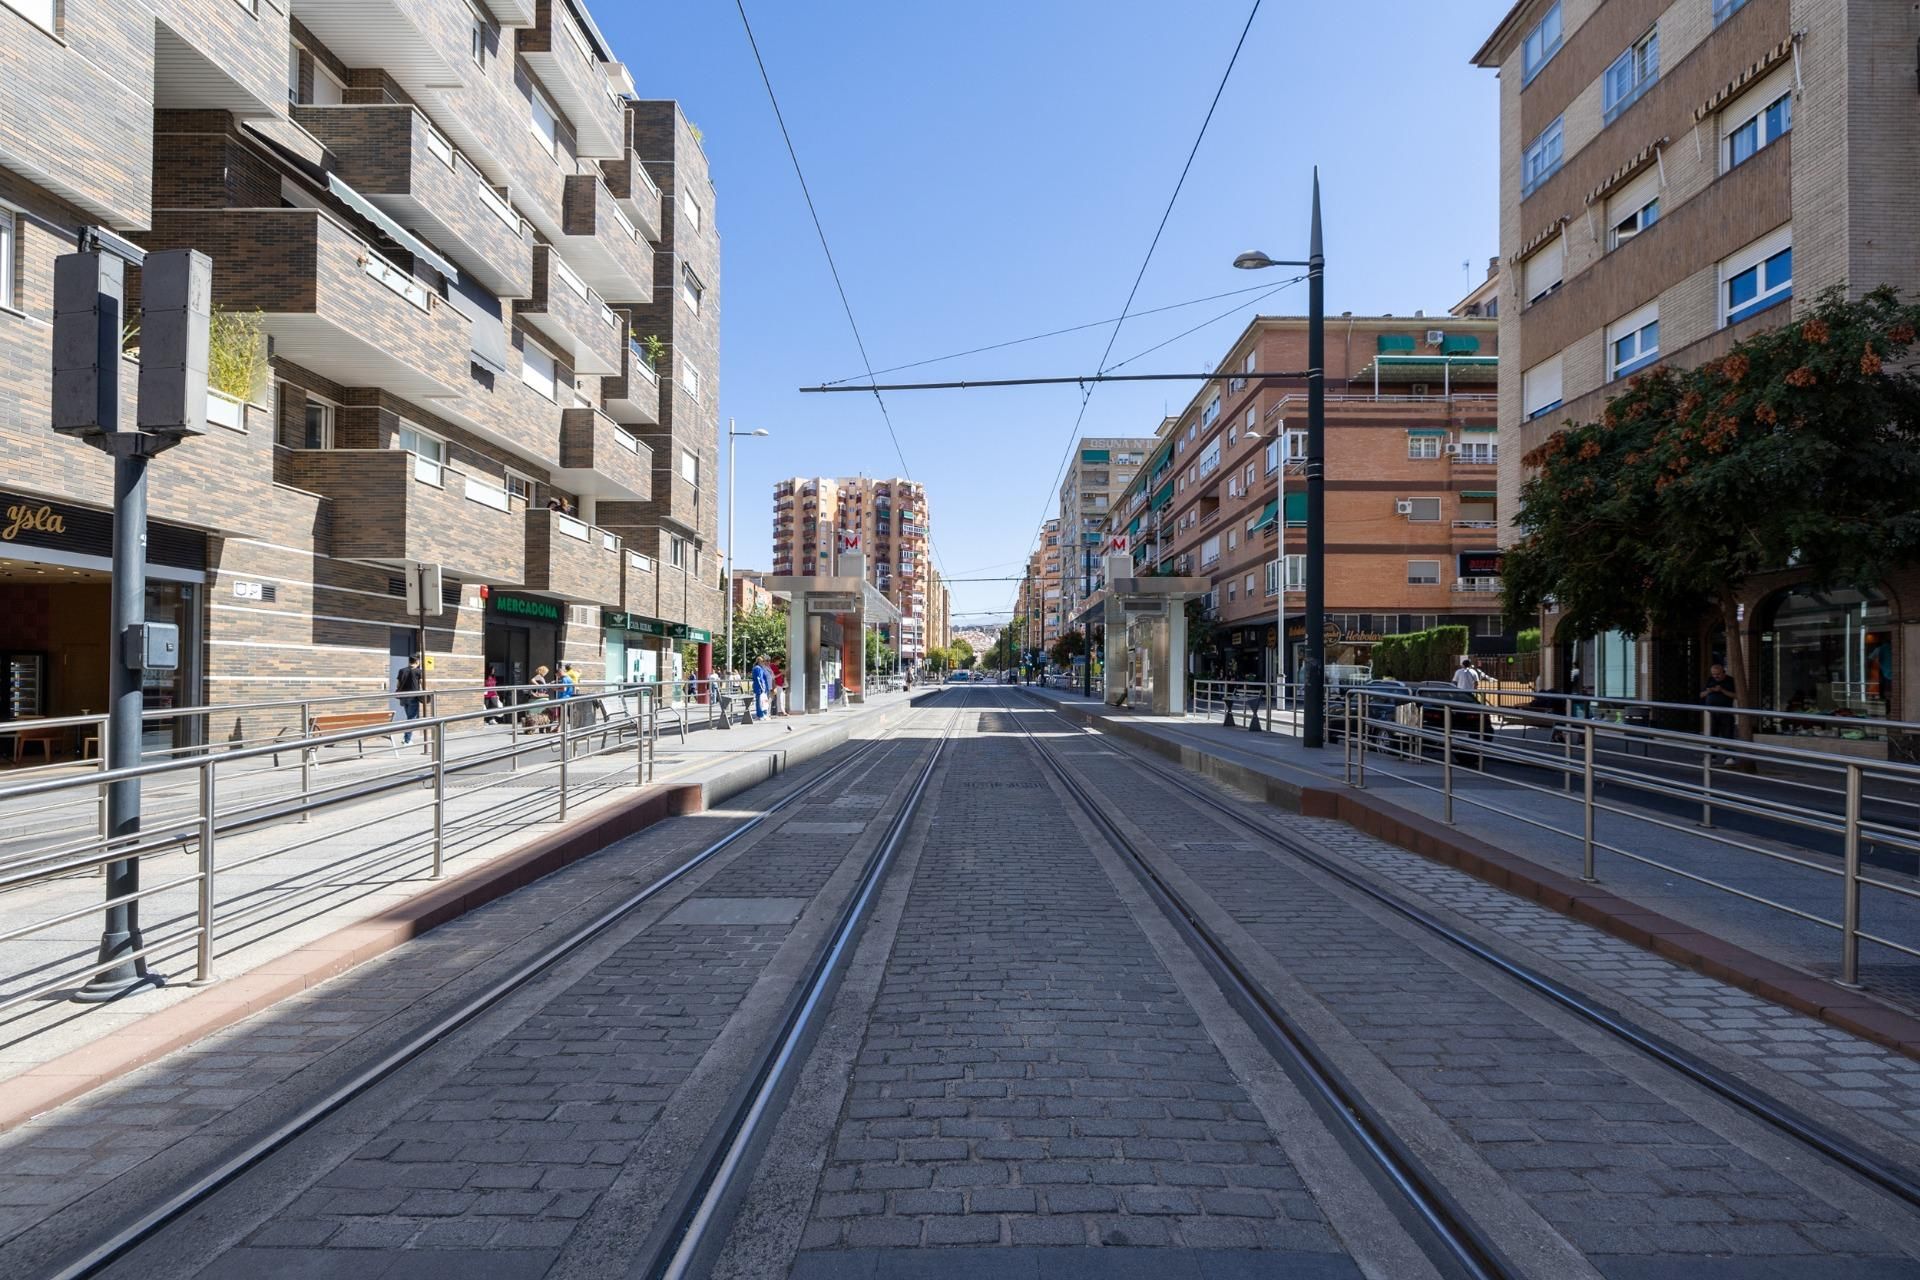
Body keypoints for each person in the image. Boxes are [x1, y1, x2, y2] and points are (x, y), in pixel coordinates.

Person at [1700, 660, 1739, 765]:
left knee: (1727, 734)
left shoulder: (1730, 681)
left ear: (1723, 672)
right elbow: (1701, 695)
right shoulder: (1710, 680)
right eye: (1713, 674)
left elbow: (1736, 696)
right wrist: (1710, 690)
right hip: (1711, 712)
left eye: (1718, 674)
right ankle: (1711, 756)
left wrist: (1722, 690)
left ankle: (1729, 757)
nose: (1715, 677)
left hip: (1726, 712)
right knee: (1711, 734)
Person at [394, 653, 425, 745]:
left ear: (409, 661)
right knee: (411, 719)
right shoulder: (419, 672)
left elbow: (398, 685)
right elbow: (422, 684)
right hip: (413, 697)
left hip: (403, 697)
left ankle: (406, 738)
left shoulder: (402, 670)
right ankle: (407, 740)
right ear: (417, 661)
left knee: (409, 718)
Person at [529, 664, 554, 732]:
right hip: (541, 696)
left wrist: (549, 684)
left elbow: (543, 685)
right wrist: (538, 686)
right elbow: (532, 680)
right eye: (546, 672)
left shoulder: (541, 677)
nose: (546, 673)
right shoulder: (539, 676)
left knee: (543, 713)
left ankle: (541, 728)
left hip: (543, 695)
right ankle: (543, 728)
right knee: (544, 712)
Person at [751, 655, 772, 720]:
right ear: (760, 661)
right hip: (760, 688)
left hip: (760, 687)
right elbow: (759, 679)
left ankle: (761, 714)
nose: (764, 662)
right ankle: (761, 715)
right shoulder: (758, 668)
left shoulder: (757, 668)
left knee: (761, 701)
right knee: (761, 701)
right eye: (763, 661)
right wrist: (763, 688)